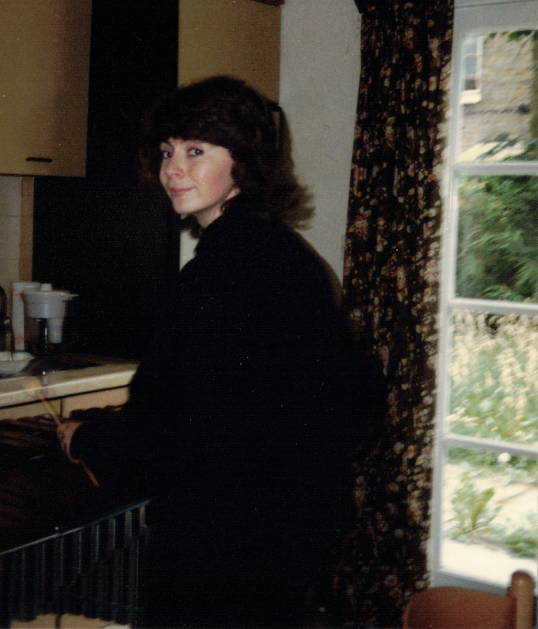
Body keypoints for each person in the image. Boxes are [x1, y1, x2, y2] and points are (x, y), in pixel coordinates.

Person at [57, 76, 384, 628]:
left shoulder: (217, 275)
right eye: (166, 151)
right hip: (287, 536)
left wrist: (86, 439)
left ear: (245, 163)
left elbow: (169, 436)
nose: (171, 169)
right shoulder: (289, 256)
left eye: (195, 150)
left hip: (221, 549)